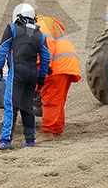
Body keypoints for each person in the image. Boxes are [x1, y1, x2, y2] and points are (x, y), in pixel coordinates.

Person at [0, 3, 50, 150]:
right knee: (27, 107)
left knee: (11, 106)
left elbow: (2, 49)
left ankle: (6, 140)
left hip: (17, 71)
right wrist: (41, 77)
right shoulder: (40, 35)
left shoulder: (12, 29)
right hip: (32, 74)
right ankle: (30, 140)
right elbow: (46, 58)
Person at [34, 14, 80, 142]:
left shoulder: (40, 24)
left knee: (50, 98)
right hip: (66, 63)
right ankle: (56, 132)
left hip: (57, 65)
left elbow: (47, 44)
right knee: (58, 101)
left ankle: (47, 132)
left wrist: (44, 67)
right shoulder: (48, 22)